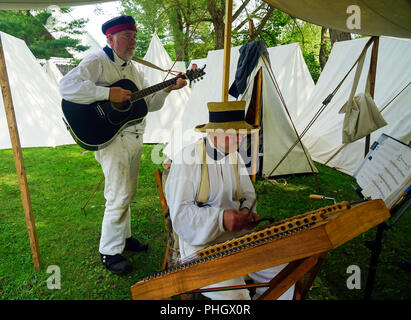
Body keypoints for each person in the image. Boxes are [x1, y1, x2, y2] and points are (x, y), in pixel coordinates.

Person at [59, 15, 186, 274]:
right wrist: (107, 93)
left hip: (134, 138)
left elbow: (145, 105)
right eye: (127, 36)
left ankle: (123, 238)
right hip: (112, 138)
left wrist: (166, 90)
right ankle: (109, 251)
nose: (132, 41)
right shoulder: (97, 61)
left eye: (134, 36)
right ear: (110, 38)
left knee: (128, 192)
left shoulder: (134, 69)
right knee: (117, 195)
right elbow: (67, 86)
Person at [165, 101, 294, 300]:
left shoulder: (236, 158)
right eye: (234, 134)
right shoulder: (186, 159)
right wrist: (221, 219)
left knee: (284, 275)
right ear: (213, 133)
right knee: (235, 296)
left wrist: (244, 213)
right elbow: (180, 215)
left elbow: (248, 195)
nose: (240, 139)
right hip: (201, 246)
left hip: (239, 239)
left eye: (241, 133)